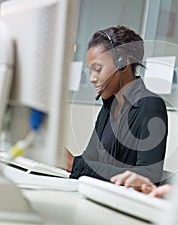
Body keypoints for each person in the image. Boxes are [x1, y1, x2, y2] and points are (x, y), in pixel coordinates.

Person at [69, 26, 168, 185]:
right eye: (91, 71)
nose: (92, 79)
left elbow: (149, 175)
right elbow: (89, 160)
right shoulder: (108, 108)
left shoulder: (149, 106)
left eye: (97, 69)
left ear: (123, 63)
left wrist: (74, 165)